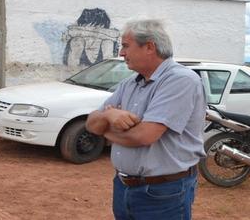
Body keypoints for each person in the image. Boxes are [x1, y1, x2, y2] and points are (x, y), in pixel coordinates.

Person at [85, 19, 206, 220]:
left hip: (164, 192)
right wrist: (109, 115)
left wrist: (105, 130)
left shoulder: (181, 80)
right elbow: (91, 124)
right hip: (124, 186)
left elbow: (144, 136)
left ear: (149, 47)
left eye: (125, 46)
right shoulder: (129, 84)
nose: (121, 53)